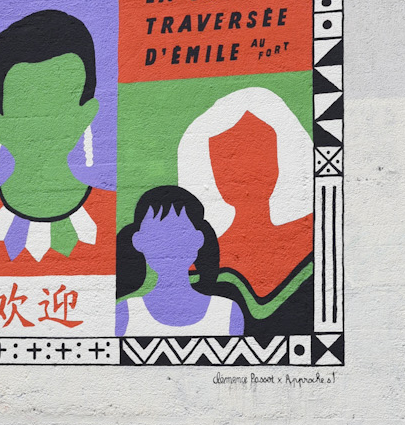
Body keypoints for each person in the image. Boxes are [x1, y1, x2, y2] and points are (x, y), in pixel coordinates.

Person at [0, 9, 115, 276]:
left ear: (87, 115)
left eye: (61, 102)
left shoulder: (116, 214)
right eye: (26, 104)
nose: (44, 122)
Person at [177, 86, 313, 298]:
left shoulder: (311, 237)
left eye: (260, 155)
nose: (245, 172)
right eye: (226, 162)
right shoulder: (200, 260)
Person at [115, 186, 243, 337]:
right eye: (157, 235)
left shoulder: (227, 313)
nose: (169, 245)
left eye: (179, 234)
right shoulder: (127, 313)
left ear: (198, 239)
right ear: (138, 241)